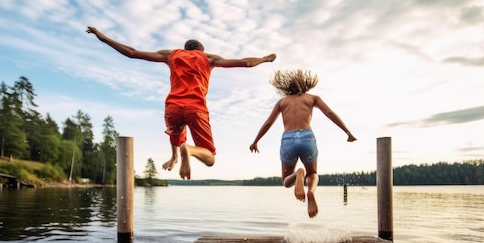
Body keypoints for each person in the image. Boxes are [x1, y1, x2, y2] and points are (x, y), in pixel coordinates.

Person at [86, 27, 276, 179]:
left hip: (172, 108)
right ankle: (189, 151)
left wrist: (101, 36)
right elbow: (246, 63)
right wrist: (265, 59)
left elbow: (132, 53)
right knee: (210, 159)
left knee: (176, 132)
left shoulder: (171, 55)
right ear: (201, 51)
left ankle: (176, 155)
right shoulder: (209, 58)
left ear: (185, 49)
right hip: (196, 109)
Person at [249, 69, 357, 218]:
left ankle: (299, 174)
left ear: (287, 88)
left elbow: (268, 122)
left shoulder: (282, 102)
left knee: (286, 182)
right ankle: (311, 191)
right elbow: (330, 114)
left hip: (288, 138)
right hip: (307, 136)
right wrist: (347, 132)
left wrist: (256, 141)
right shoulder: (312, 98)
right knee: (312, 173)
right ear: (305, 85)